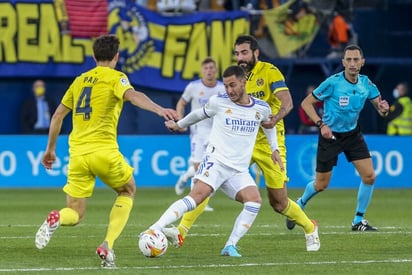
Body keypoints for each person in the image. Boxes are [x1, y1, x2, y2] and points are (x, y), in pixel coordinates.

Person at [34, 34, 178, 268]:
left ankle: (57, 217)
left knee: (75, 213)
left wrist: (50, 150)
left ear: (93, 56)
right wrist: (159, 109)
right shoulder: (117, 77)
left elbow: (58, 115)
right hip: (104, 151)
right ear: (116, 56)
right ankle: (107, 245)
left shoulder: (80, 80)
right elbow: (133, 96)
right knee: (127, 190)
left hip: (78, 154)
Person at [167, 34, 321, 252]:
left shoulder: (269, 72)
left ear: (256, 53)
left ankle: (309, 227)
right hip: (240, 143)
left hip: (269, 144)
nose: (240, 57)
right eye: (237, 53)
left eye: (244, 52)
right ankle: (180, 232)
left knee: (279, 203)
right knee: (206, 187)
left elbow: (287, 102)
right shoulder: (236, 79)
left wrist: (274, 120)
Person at [143, 65, 285, 257]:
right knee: (196, 198)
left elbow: (269, 125)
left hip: (238, 170)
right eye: (226, 86)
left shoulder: (261, 107)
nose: (229, 90)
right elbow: (198, 114)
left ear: (244, 82)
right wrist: (178, 125)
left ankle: (230, 245)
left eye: (233, 85)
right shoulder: (218, 102)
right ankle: (154, 228)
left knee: (254, 201)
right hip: (216, 162)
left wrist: (274, 148)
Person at [287, 44, 390, 231]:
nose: (352, 63)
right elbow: (306, 103)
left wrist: (384, 109)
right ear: (343, 62)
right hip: (330, 135)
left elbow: (380, 107)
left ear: (362, 62)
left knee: (369, 176)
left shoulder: (366, 84)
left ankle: (358, 221)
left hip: (352, 134)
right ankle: (300, 204)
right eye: (348, 59)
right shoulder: (332, 83)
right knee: (321, 184)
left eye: (356, 59)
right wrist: (321, 124)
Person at [174, 57, 225, 205]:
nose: (209, 71)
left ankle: (199, 197)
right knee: (198, 167)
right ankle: (193, 191)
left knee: (211, 164)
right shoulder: (193, 87)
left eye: (211, 68)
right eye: (206, 68)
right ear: (202, 71)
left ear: (216, 70)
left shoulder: (222, 88)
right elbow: (181, 103)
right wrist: (180, 120)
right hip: (198, 131)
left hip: (216, 131)